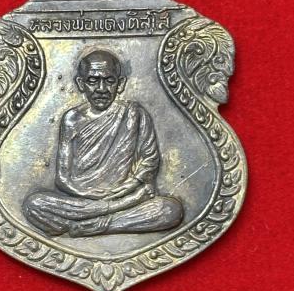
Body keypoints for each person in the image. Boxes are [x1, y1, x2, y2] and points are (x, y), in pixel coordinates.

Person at [23, 50, 183, 237]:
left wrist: (130, 186)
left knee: (170, 210)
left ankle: (91, 226)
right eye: (93, 80)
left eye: (109, 81)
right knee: (34, 204)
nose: (101, 88)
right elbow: (62, 179)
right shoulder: (72, 119)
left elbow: (150, 160)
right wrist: (94, 198)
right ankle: (104, 216)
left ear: (120, 84)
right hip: (86, 200)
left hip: (124, 194)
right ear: (81, 84)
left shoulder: (134, 114)